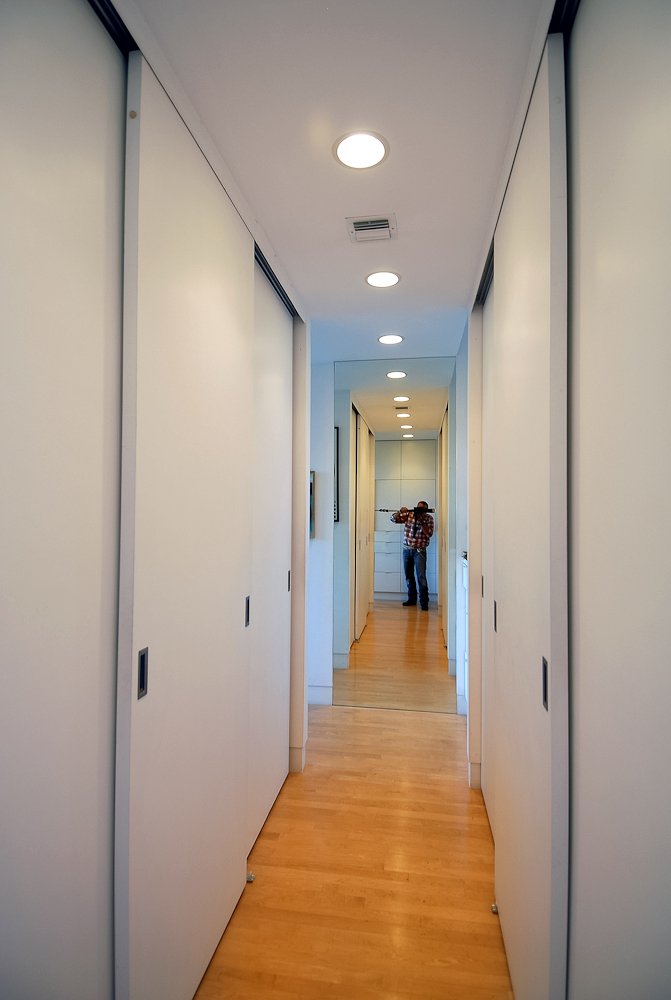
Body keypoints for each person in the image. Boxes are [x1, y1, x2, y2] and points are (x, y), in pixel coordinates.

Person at [390, 501, 434, 611]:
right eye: (417, 508)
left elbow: (429, 534)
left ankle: (424, 602)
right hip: (406, 550)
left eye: (421, 509)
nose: (418, 510)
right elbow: (393, 519)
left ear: (426, 510)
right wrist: (400, 512)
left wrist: (421, 520)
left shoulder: (428, 518)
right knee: (409, 576)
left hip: (419, 551)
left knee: (421, 576)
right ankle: (412, 599)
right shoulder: (409, 515)